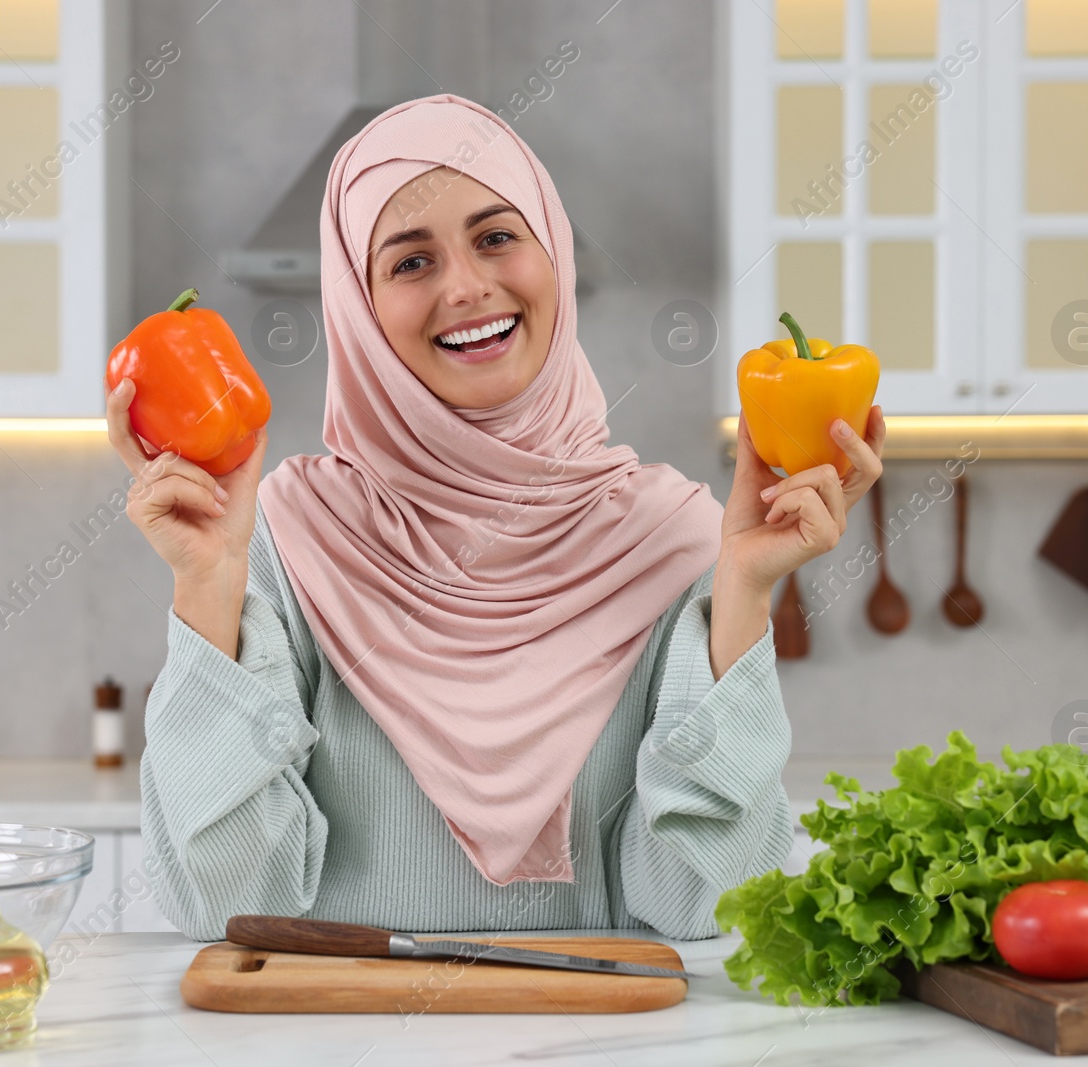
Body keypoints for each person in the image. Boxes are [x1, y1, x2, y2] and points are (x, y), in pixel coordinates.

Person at [107, 95, 885, 941]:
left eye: (497, 237)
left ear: (552, 253)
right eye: (409, 263)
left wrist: (740, 593)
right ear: (357, 312)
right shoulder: (283, 542)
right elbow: (225, 903)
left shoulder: (679, 539)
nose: (468, 287)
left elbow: (709, 903)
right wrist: (208, 583)